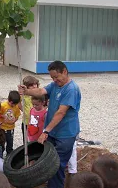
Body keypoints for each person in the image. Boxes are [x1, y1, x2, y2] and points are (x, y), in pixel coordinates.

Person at [18, 60, 81, 188]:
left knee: (57, 165)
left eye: (56, 77)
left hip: (65, 134)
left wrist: (45, 131)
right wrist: (27, 92)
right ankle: (52, 184)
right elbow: (41, 92)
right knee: (49, 160)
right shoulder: (55, 85)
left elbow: (61, 113)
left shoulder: (71, 89)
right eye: (52, 77)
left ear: (64, 71)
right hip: (53, 132)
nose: (54, 80)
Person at [0, 90, 21, 157]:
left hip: (11, 128)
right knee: (1, 142)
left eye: (14, 104)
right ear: (9, 100)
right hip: (2, 127)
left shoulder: (16, 107)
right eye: (12, 104)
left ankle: (9, 155)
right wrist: (2, 116)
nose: (13, 105)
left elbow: (17, 115)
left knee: (10, 142)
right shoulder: (3, 105)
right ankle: (0, 155)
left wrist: (14, 120)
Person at [19, 76, 39, 144]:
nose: (34, 86)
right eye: (31, 85)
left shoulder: (38, 94)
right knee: (26, 139)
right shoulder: (24, 95)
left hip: (36, 121)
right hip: (26, 121)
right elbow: (18, 102)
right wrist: (23, 109)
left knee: (35, 138)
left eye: (35, 84)